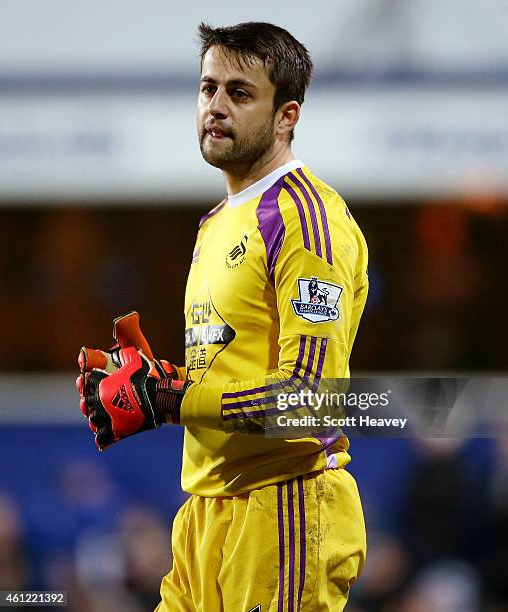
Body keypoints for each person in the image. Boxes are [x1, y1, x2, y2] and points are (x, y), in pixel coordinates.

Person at [77, 21, 369, 611]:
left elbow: (309, 400)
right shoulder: (215, 224)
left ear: (286, 116)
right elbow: (224, 371)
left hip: (285, 510)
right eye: (209, 88)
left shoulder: (307, 222)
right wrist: (159, 383)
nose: (215, 106)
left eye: (239, 93)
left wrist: (175, 401)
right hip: (204, 518)